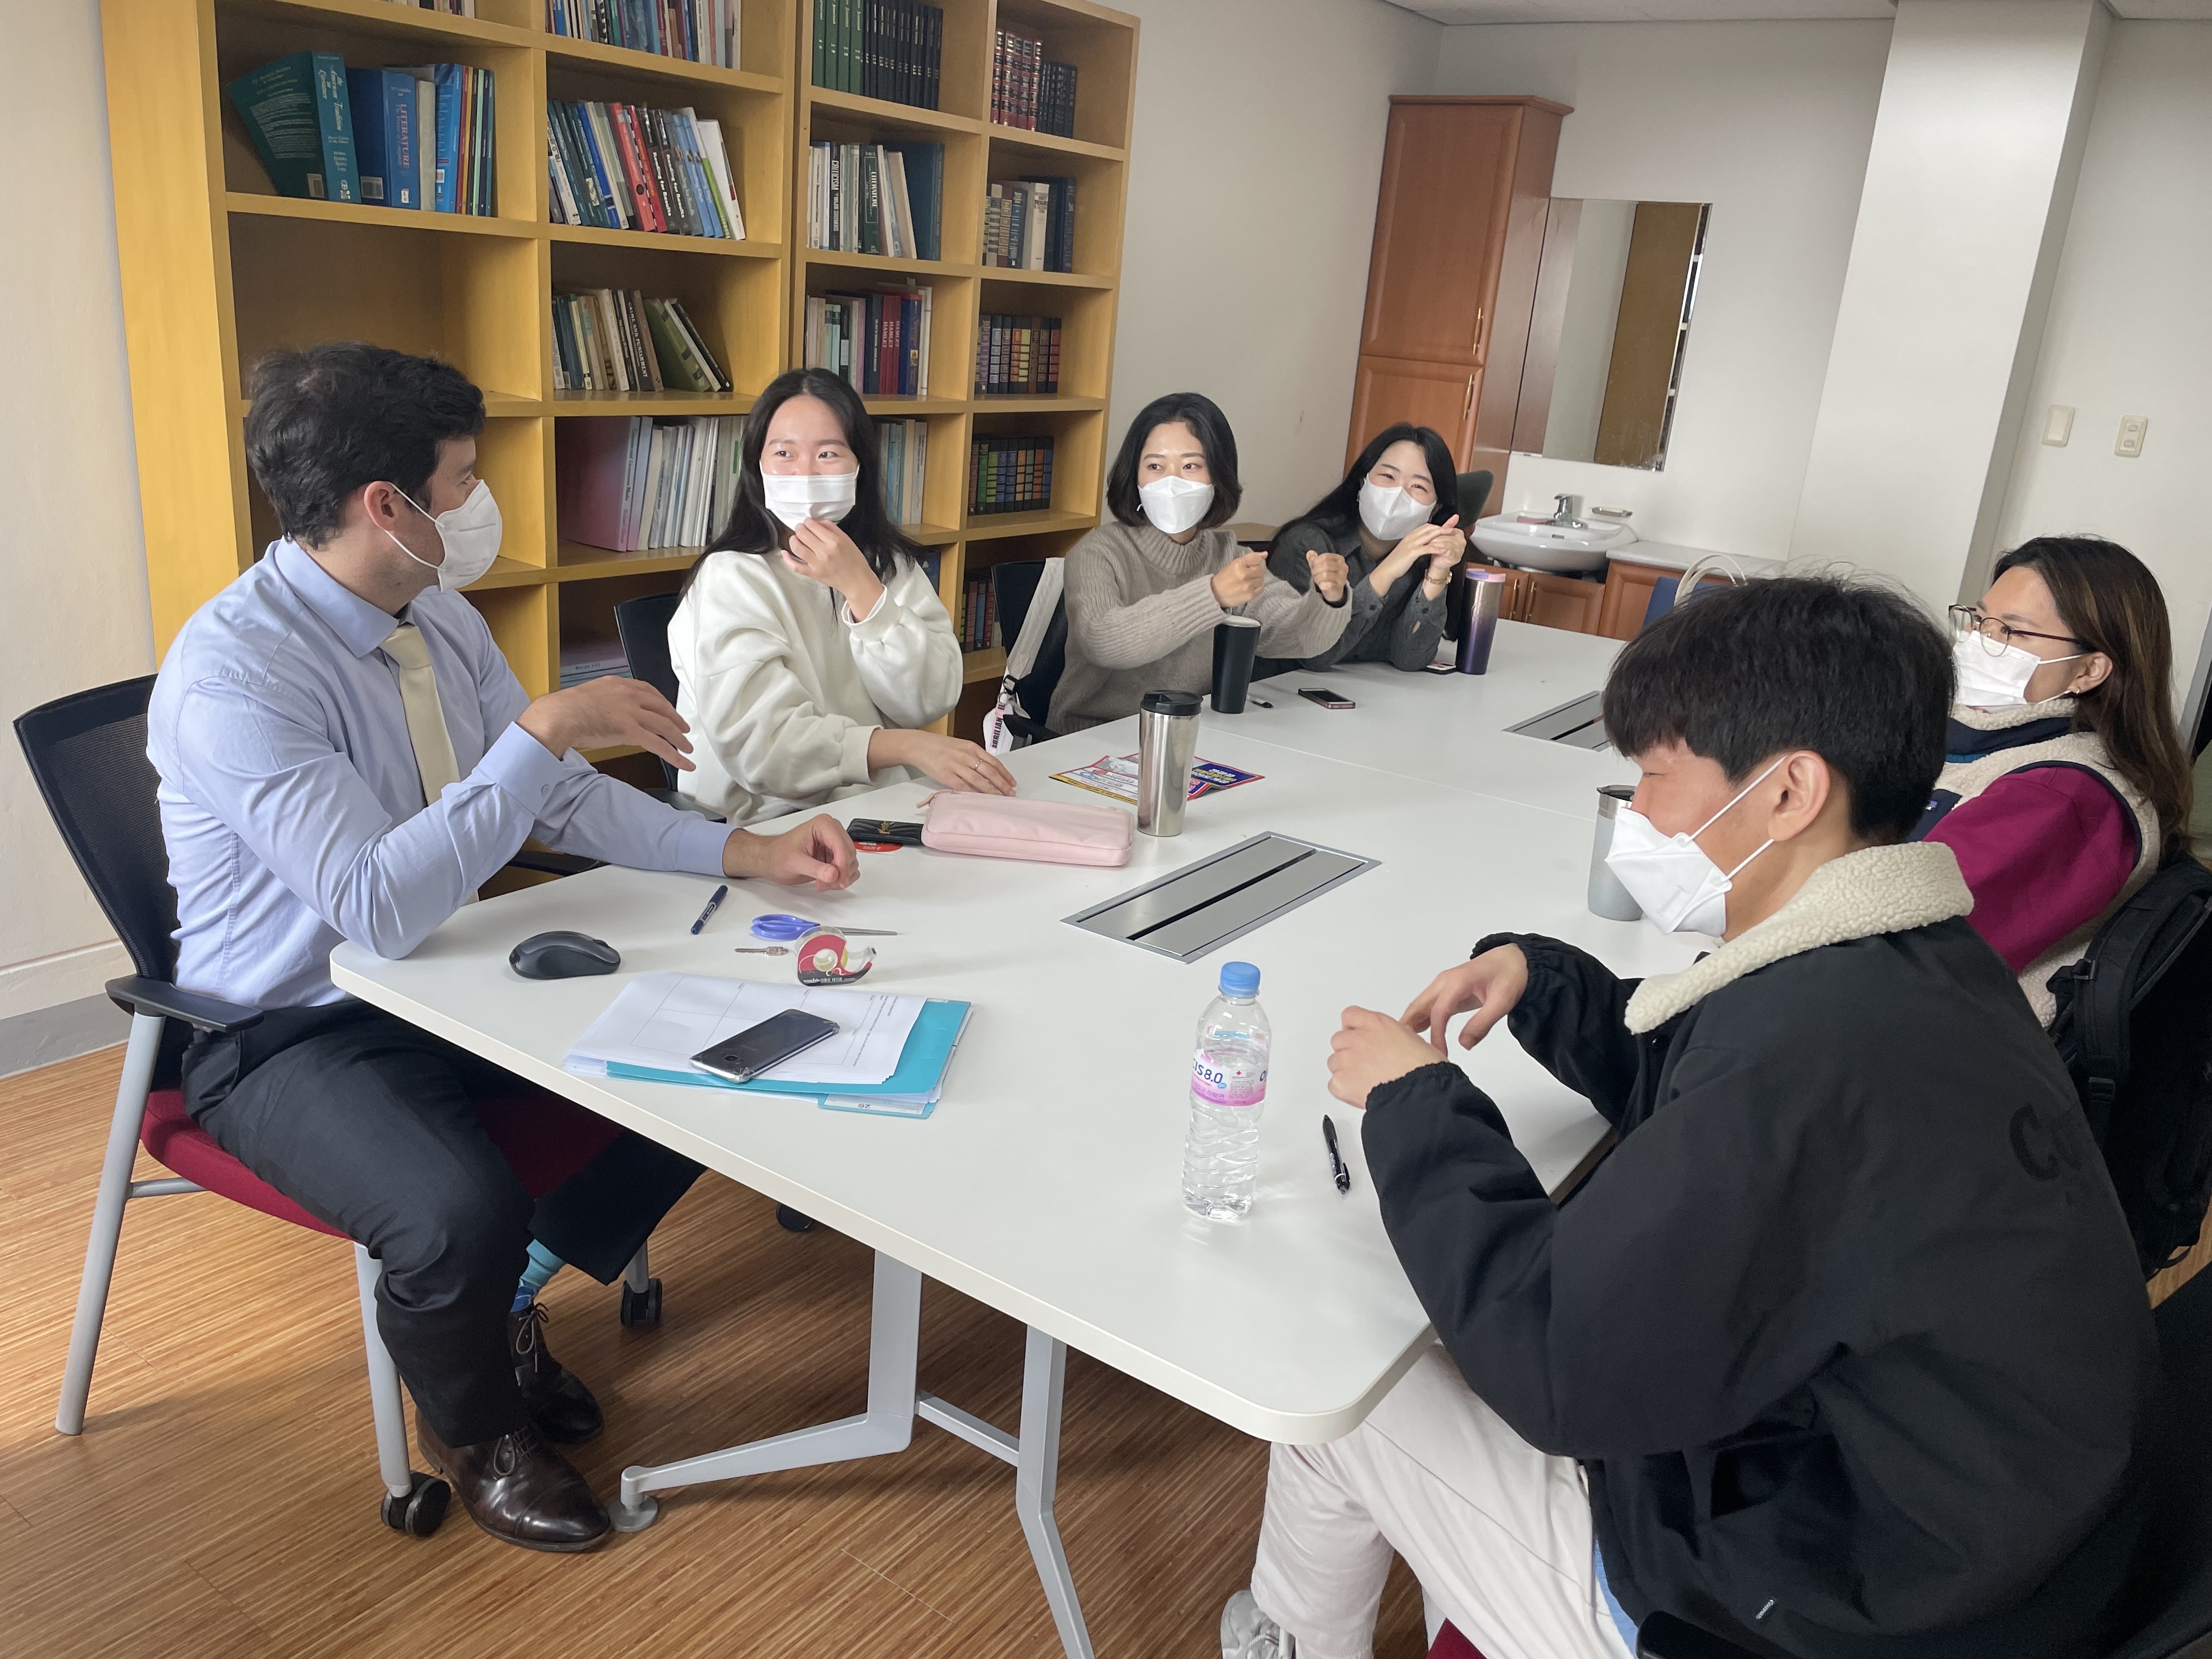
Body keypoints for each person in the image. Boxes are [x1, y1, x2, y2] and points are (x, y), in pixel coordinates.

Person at [1222, 576, 2154, 1659]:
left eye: (1659, 776)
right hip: (1975, 1539)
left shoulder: (1813, 1048)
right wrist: (1551, 984)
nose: (1640, 811)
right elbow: (1718, 1088)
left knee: (1338, 1393)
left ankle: (1286, 1641)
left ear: (1789, 791)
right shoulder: (1915, 960)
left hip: (1826, 1608)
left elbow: (1558, 1360)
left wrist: (1414, 1101)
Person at [149, 343, 862, 1554]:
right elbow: (375, 902)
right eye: (464, 479)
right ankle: (475, 1430)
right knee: (453, 1212)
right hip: (284, 1027)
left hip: (447, 971)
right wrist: (540, 730)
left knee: (711, 1059)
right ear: (389, 506)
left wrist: (747, 850)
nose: (480, 503)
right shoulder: (236, 674)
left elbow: (557, 800)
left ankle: (503, 1300)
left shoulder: (433, 611)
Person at [671, 368, 1014, 822]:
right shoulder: (729, 576)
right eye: (784, 453)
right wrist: (909, 747)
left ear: (859, 465)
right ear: (757, 467)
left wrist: (862, 590)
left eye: (828, 453)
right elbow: (766, 750)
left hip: (878, 804)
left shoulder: (886, 563)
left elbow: (931, 698)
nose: (805, 472)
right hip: (767, 823)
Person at [1921, 535, 2196, 1023]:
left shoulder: (2062, 796)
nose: (1981, 642)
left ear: (2089, 670)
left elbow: (1909, 946)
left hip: (1935, 1039)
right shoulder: (1974, 741)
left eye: (2013, 632)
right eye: (1980, 620)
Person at [1048, 392, 1352, 733]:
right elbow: (1103, 642)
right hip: (1090, 736)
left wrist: (1329, 598)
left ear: (1218, 477)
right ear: (1135, 476)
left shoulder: (1230, 557)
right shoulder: (1098, 552)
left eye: (1190, 466)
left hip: (1190, 734)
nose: (1171, 483)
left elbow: (1297, 638)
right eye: (1155, 466)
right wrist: (1212, 596)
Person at [1261, 424, 1464, 673]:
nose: (1398, 494)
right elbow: (1314, 657)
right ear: (1362, 482)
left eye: (1419, 487)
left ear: (1435, 509)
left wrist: (1439, 571)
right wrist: (1387, 572)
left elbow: (1410, 659)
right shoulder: (1309, 544)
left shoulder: (1421, 561)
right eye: (1388, 476)